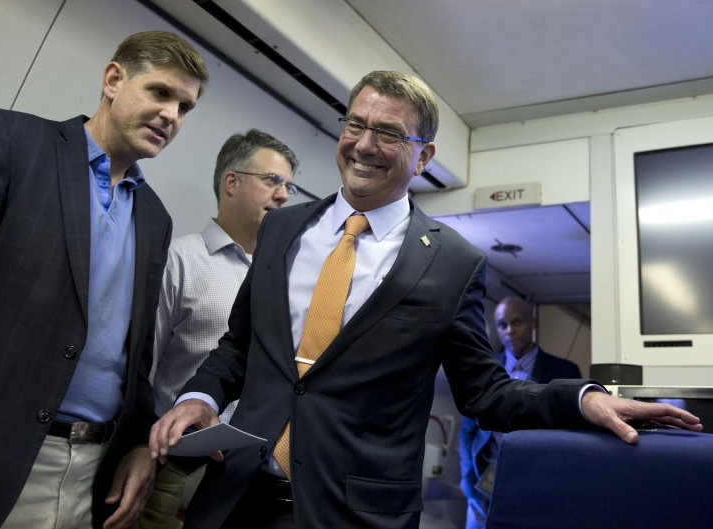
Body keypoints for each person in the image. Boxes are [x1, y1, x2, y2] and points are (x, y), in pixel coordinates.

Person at [148, 70, 702, 529]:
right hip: (234, 499)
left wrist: (582, 400)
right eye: (356, 124)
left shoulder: (453, 262)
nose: (363, 144)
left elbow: (486, 392)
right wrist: (199, 397)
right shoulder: (282, 229)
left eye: (387, 133)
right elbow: (237, 348)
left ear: (424, 155)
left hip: (356, 514)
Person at [0, 31, 208, 529]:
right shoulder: (12, 142)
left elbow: (137, 358)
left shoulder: (154, 217)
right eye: (161, 93)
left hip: (92, 472)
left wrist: (139, 447)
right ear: (112, 80)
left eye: (185, 107)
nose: (172, 115)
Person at [139, 130, 298, 529]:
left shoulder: (284, 276)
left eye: (289, 186)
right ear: (232, 182)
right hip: (176, 471)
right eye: (272, 180)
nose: (283, 195)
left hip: (248, 478)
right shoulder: (181, 260)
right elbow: (142, 368)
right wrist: (138, 451)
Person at [459, 296, 582, 529]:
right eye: (503, 325)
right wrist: (467, 477)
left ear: (532, 323)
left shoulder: (563, 371)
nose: (510, 331)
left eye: (517, 322)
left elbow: (570, 435)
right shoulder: (482, 370)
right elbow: (467, 431)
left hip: (538, 482)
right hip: (483, 483)